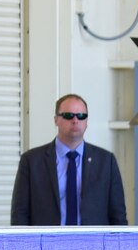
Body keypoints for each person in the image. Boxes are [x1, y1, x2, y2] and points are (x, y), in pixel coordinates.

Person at [11, 93, 127, 226]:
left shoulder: (106, 161)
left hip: (92, 239)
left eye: (81, 116)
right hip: (47, 238)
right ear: (56, 120)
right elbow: (19, 214)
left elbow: (118, 216)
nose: (75, 120)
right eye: (68, 115)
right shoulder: (31, 161)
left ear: (86, 122)